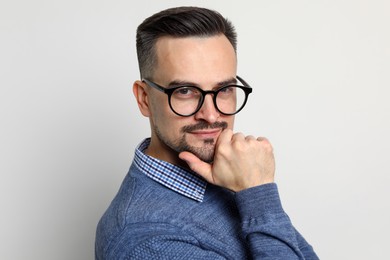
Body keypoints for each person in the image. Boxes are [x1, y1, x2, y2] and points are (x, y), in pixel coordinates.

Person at [95, 6, 319, 259]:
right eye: (185, 91)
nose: (211, 115)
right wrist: (259, 193)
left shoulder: (229, 175)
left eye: (224, 89)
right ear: (145, 98)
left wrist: (252, 191)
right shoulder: (148, 238)